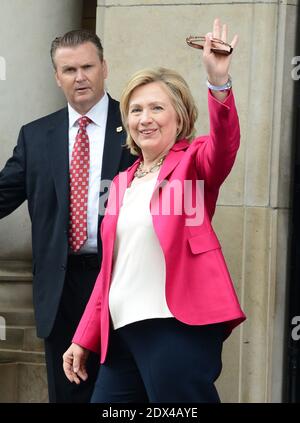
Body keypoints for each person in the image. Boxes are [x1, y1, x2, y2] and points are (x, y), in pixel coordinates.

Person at [62, 19, 246, 403]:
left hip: (175, 326)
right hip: (120, 334)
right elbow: (111, 272)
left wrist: (218, 83)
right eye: (136, 110)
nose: (144, 119)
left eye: (157, 108)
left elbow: (224, 144)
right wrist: (84, 337)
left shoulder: (194, 163)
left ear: (178, 117)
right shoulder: (122, 182)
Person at [0, 29, 135, 403]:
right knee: (68, 394)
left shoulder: (136, 126)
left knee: (122, 395)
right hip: (59, 290)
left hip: (119, 283)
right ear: (56, 77)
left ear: (104, 68)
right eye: (69, 69)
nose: (80, 77)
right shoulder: (36, 136)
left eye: (88, 66)